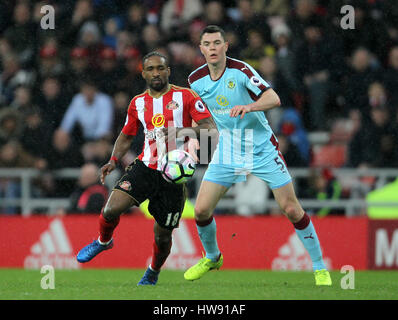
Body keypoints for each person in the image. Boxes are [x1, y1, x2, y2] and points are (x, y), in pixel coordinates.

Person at [184, 25, 331, 286]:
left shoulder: (241, 72)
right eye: (208, 44)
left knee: (291, 208)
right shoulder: (195, 80)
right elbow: (202, 116)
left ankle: (320, 267)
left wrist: (249, 106)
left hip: (261, 147)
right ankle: (213, 256)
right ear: (201, 49)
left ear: (226, 46)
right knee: (201, 209)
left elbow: (273, 98)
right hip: (228, 149)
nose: (213, 48)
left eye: (218, 43)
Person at [76, 52, 215, 286]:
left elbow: (210, 129)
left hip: (174, 175)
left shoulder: (187, 97)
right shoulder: (137, 103)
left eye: (160, 68)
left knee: (162, 236)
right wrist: (113, 159)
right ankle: (103, 241)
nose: (156, 73)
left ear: (168, 71)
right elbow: (126, 135)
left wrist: (178, 133)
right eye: (150, 69)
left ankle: (153, 271)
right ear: (143, 73)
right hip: (145, 167)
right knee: (110, 210)